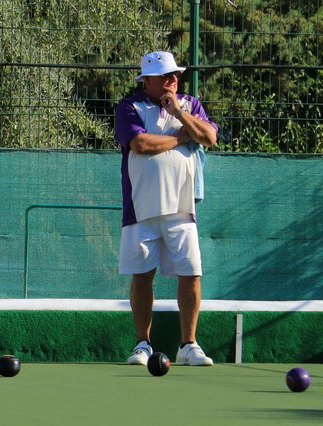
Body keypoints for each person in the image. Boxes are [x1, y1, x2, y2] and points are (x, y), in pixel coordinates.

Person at [114, 51, 218, 366]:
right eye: (166, 76)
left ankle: (189, 345)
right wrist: (180, 138)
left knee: (191, 273)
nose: (173, 80)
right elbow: (141, 144)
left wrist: (179, 113)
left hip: (182, 209)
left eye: (175, 75)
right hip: (140, 209)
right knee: (142, 276)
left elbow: (209, 137)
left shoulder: (190, 105)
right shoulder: (129, 106)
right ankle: (142, 344)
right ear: (148, 80)